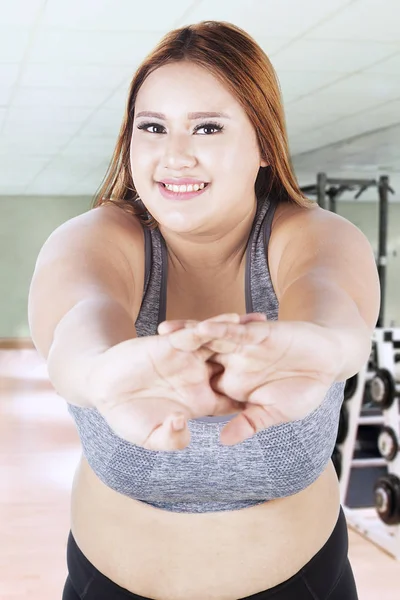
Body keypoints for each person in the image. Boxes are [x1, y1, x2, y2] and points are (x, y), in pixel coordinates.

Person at [28, 20, 380, 600]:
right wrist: (103, 375)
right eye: (153, 127)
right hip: (108, 585)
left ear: (265, 144)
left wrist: (323, 352)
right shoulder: (92, 239)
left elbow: (333, 309)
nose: (175, 155)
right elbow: (78, 327)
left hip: (305, 585)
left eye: (208, 127)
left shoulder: (317, 235)